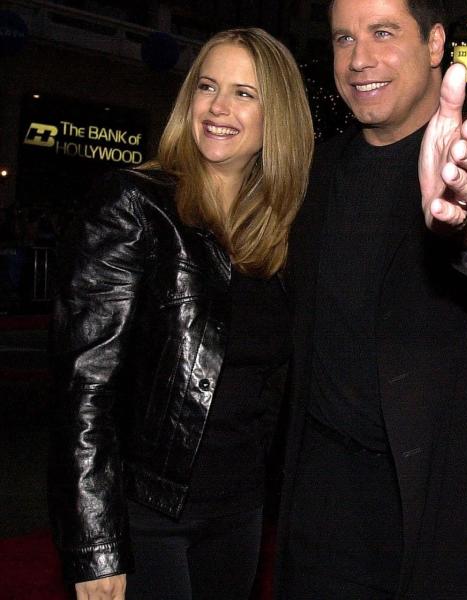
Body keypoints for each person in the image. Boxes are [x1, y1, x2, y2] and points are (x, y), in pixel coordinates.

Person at [274, 0, 467, 597]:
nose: (358, 60)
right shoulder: (315, 172)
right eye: (343, 39)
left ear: (434, 45)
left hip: (451, 511)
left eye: (382, 33)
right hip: (324, 507)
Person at [48, 28, 313, 600]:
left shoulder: (281, 233)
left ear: (279, 117)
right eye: (208, 86)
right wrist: (95, 545)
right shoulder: (133, 205)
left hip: (240, 513)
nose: (219, 107)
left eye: (245, 93)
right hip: (147, 514)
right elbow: (84, 390)